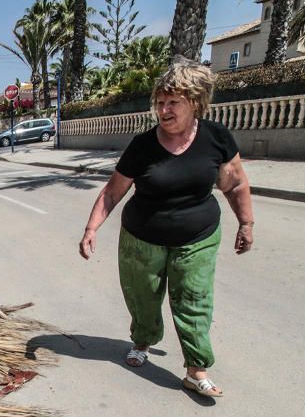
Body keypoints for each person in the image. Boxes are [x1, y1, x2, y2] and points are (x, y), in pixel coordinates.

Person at [78, 58, 254, 398]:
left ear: (195, 102)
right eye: (160, 102)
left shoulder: (216, 138)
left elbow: (234, 184)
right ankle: (142, 340)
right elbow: (114, 190)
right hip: (142, 238)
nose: (164, 109)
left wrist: (246, 223)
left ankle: (195, 369)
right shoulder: (143, 145)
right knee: (143, 298)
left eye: (173, 102)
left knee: (194, 299)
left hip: (198, 237)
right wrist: (91, 228)